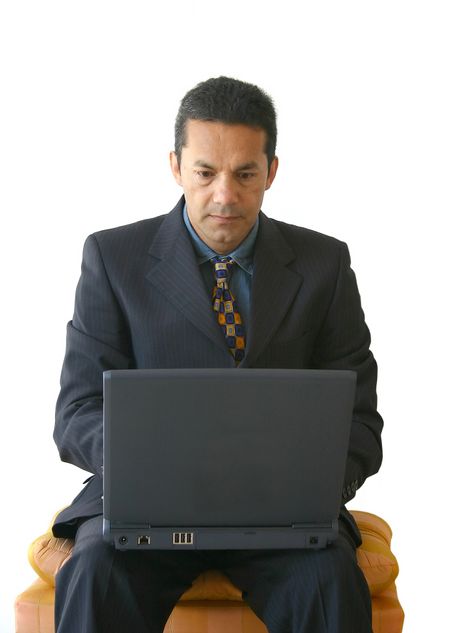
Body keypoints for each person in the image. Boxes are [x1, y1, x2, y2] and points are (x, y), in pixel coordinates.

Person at [52, 76, 383, 633]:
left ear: (271, 172)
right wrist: (146, 468)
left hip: (282, 518)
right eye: (205, 173)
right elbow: (77, 412)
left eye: (245, 174)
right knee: (95, 572)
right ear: (177, 167)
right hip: (145, 511)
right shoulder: (113, 258)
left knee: (329, 584)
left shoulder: (325, 264)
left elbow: (360, 419)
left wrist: (313, 483)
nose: (224, 195)